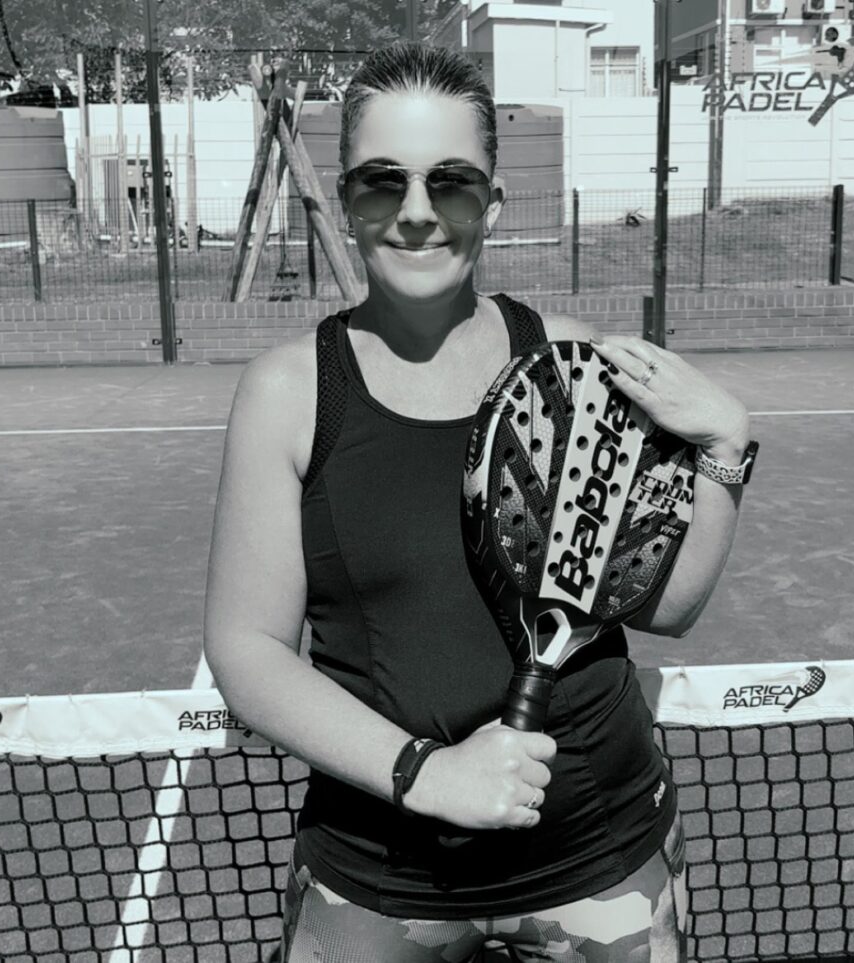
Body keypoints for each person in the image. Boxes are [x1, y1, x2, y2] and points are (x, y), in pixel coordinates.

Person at [204, 41, 752, 963]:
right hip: (380, 876)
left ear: (492, 203)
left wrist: (726, 452)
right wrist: (427, 775)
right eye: (383, 181)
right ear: (346, 201)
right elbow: (247, 649)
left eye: (452, 181)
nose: (418, 213)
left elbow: (664, 602)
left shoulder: (578, 368)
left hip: (604, 861)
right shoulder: (288, 393)